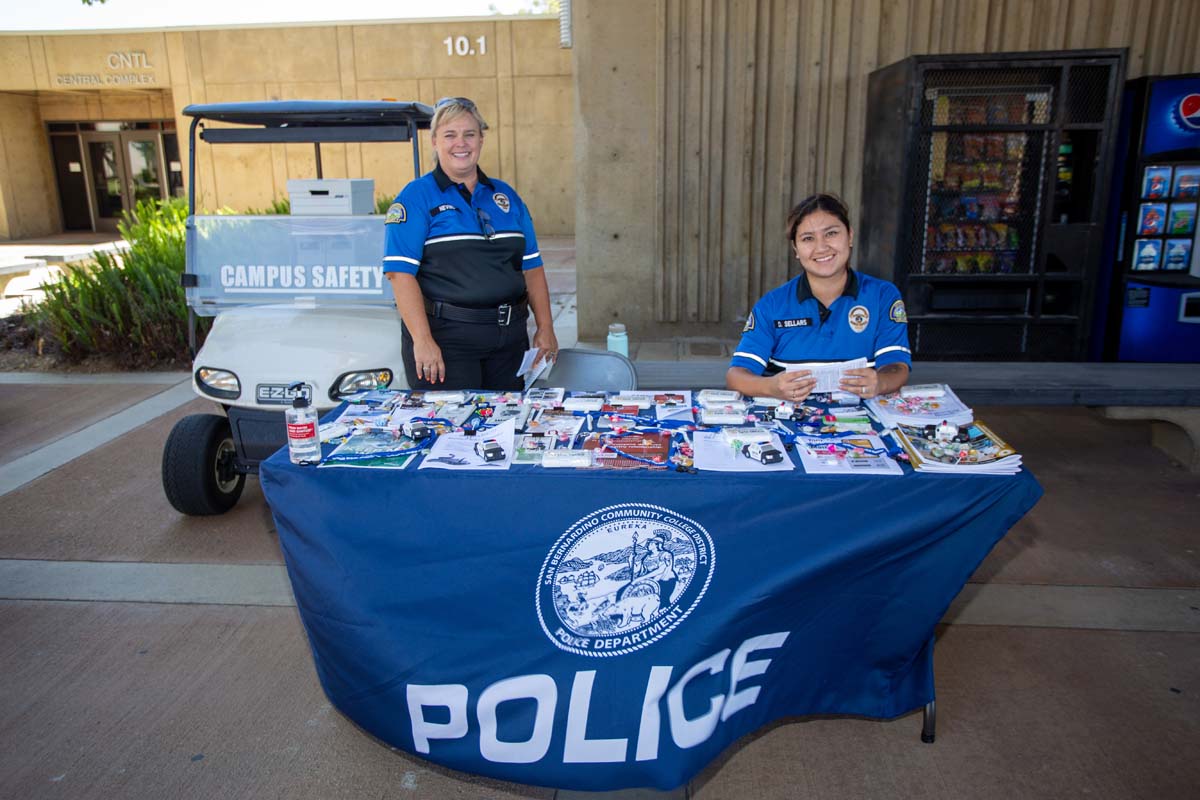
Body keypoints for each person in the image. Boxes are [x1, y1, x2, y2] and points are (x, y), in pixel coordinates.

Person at [382, 97, 558, 390]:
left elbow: (532, 268)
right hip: (447, 343)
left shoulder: (506, 196)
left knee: (508, 428)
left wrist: (546, 327)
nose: (460, 143)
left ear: (481, 139)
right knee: (452, 433)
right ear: (435, 141)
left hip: (509, 342)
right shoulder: (416, 197)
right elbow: (400, 275)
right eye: (450, 135)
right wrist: (422, 340)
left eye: (469, 134)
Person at [726, 192, 910, 402]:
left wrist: (881, 382)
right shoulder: (772, 305)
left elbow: (897, 366)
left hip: (863, 423)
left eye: (831, 233)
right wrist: (770, 386)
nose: (821, 247)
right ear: (796, 249)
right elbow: (736, 376)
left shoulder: (882, 296)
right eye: (808, 238)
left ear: (849, 236)